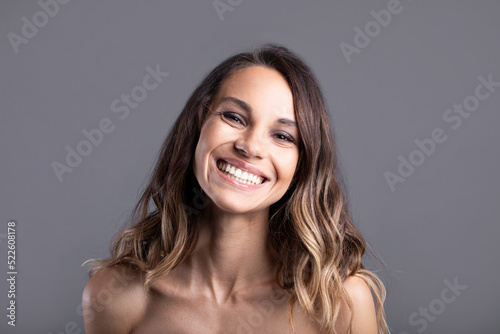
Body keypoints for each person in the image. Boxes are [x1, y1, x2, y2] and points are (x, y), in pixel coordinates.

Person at [82, 44, 389, 333]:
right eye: (234, 117)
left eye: (283, 136)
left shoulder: (340, 303)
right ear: (199, 126)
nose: (250, 146)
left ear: (302, 167)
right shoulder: (115, 296)